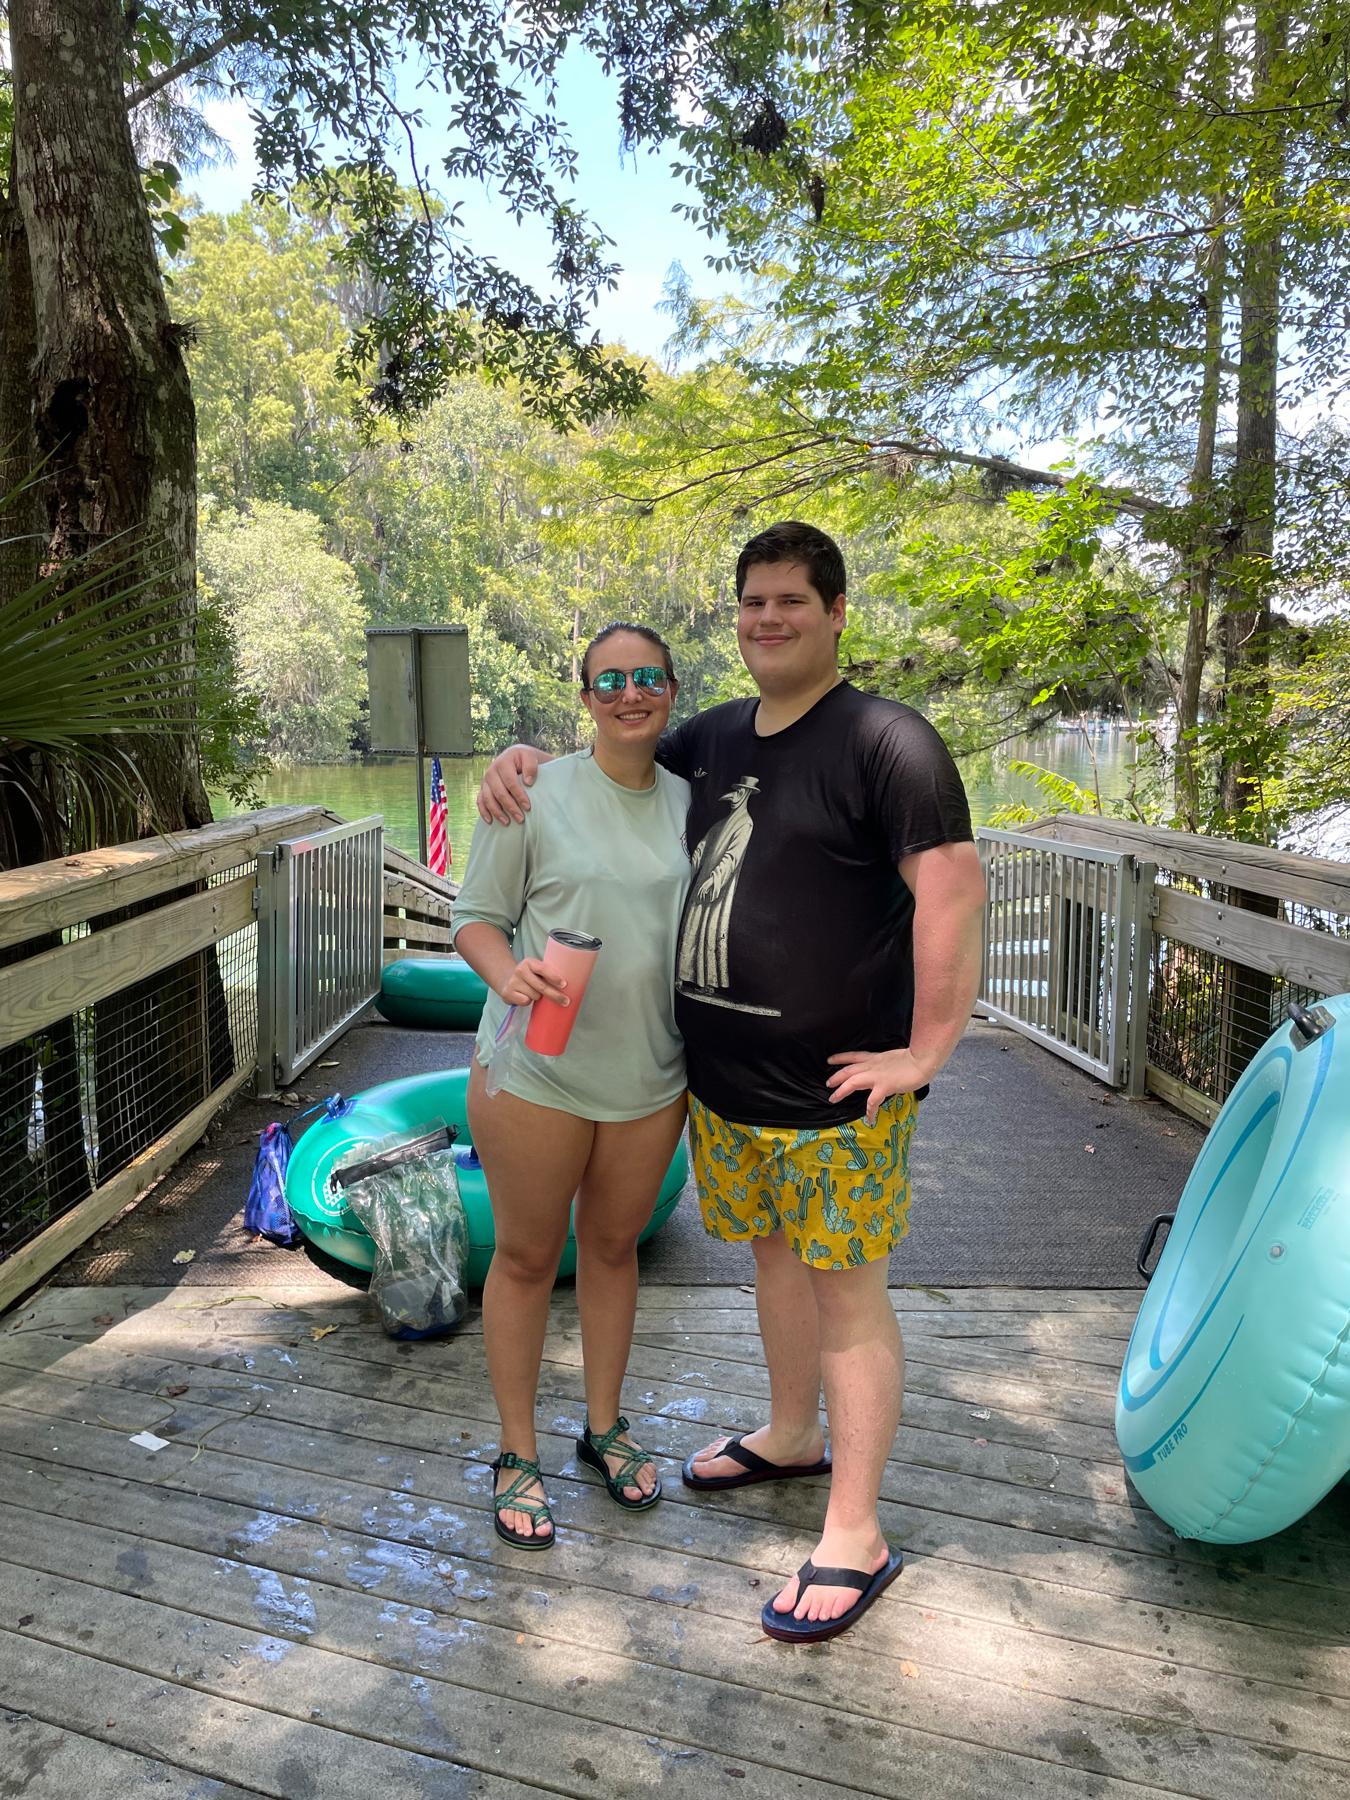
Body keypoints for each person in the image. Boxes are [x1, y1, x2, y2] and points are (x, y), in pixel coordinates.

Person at [477, 522, 986, 1640]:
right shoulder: (711, 738)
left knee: (848, 1289)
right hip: (722, 1088)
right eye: (752, 603)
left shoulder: (886, 742)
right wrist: (512, 760)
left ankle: (855, 1531)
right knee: (771, 1263)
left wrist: (929, 1048)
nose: (767, 620)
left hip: (840, 1092)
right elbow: (602, 768)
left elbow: (952, 884)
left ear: (837, 611)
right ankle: (791, 1435)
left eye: (791, 602)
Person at [452, 623, 691, 1550]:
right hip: (535, 1071)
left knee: (614, 1247)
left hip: (651, 1074)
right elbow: (474, 918)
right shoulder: (534, 791)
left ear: (672, 690)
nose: (630, 694)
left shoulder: (693, 800)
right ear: (584, 697)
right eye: (609, 681)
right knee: (522, 1257)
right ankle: (517, 1451)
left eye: (647, 678)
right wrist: (506, 972)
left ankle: (604, 1427)